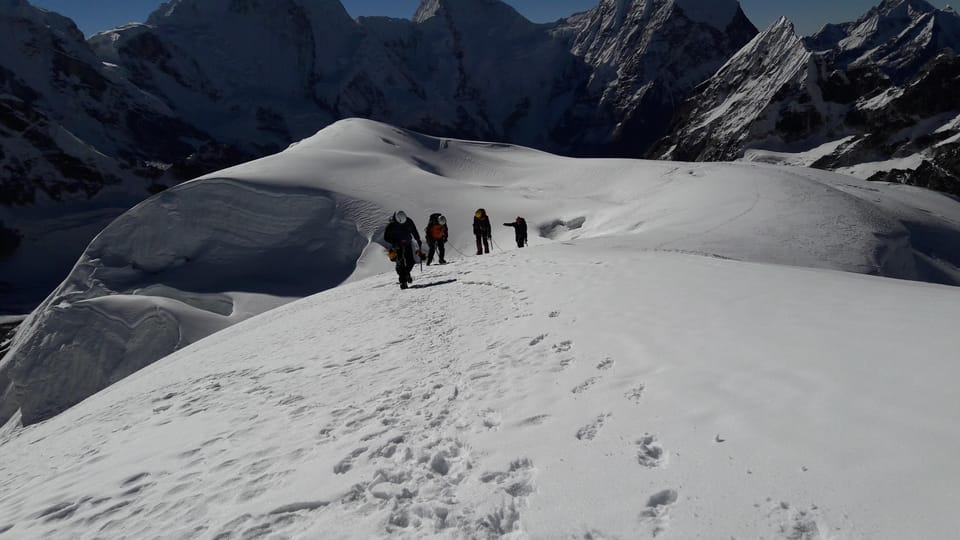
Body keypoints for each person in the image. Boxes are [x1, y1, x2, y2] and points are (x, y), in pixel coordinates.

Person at [384, 210, 423, 289]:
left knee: (411, 261)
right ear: (397, 219)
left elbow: (414, 231)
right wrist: (395, 242)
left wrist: (418, 240)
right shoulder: (391, 225)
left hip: (407, 243)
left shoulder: (408, 221)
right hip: (398, 246)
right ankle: (403, 282)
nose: (403, 224)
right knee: (400, 263)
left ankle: (406, 274)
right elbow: (386, 237)